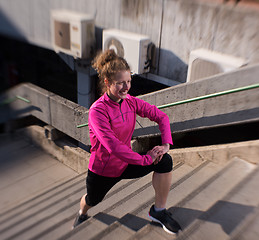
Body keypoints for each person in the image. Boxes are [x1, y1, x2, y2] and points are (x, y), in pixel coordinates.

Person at [72, 49, 181, 235]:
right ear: (107, 83)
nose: (126, 87)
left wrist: (165, 145)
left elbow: (161, 117)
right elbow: (113, 147)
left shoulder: (131, 102)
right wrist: (146, 158)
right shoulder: (97, 111)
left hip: (127, 163)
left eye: (129, 81)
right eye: (120, 83)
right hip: (103, 171)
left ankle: (159, 211)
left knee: (165, 160)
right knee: (92, 200)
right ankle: (82, 212)